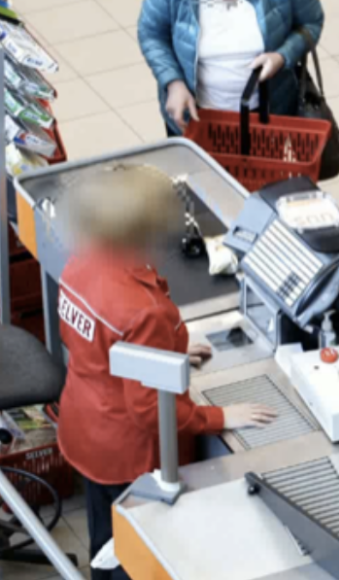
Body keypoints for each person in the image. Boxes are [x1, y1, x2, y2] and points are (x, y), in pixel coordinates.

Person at [56, 166, 277, 580]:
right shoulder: (145, 311)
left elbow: (96, 343)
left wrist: (166, 350)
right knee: (137, 556)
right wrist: (220, 418)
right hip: (131, 455)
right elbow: (150, 412)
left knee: (105, 538)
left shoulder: (81, 261)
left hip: (84, 430)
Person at [138, 0, 324, 136]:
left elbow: (311, 22)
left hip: (267, 117)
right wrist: (173, 83)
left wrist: (282, 56)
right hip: (195, 119)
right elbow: (151, 33)